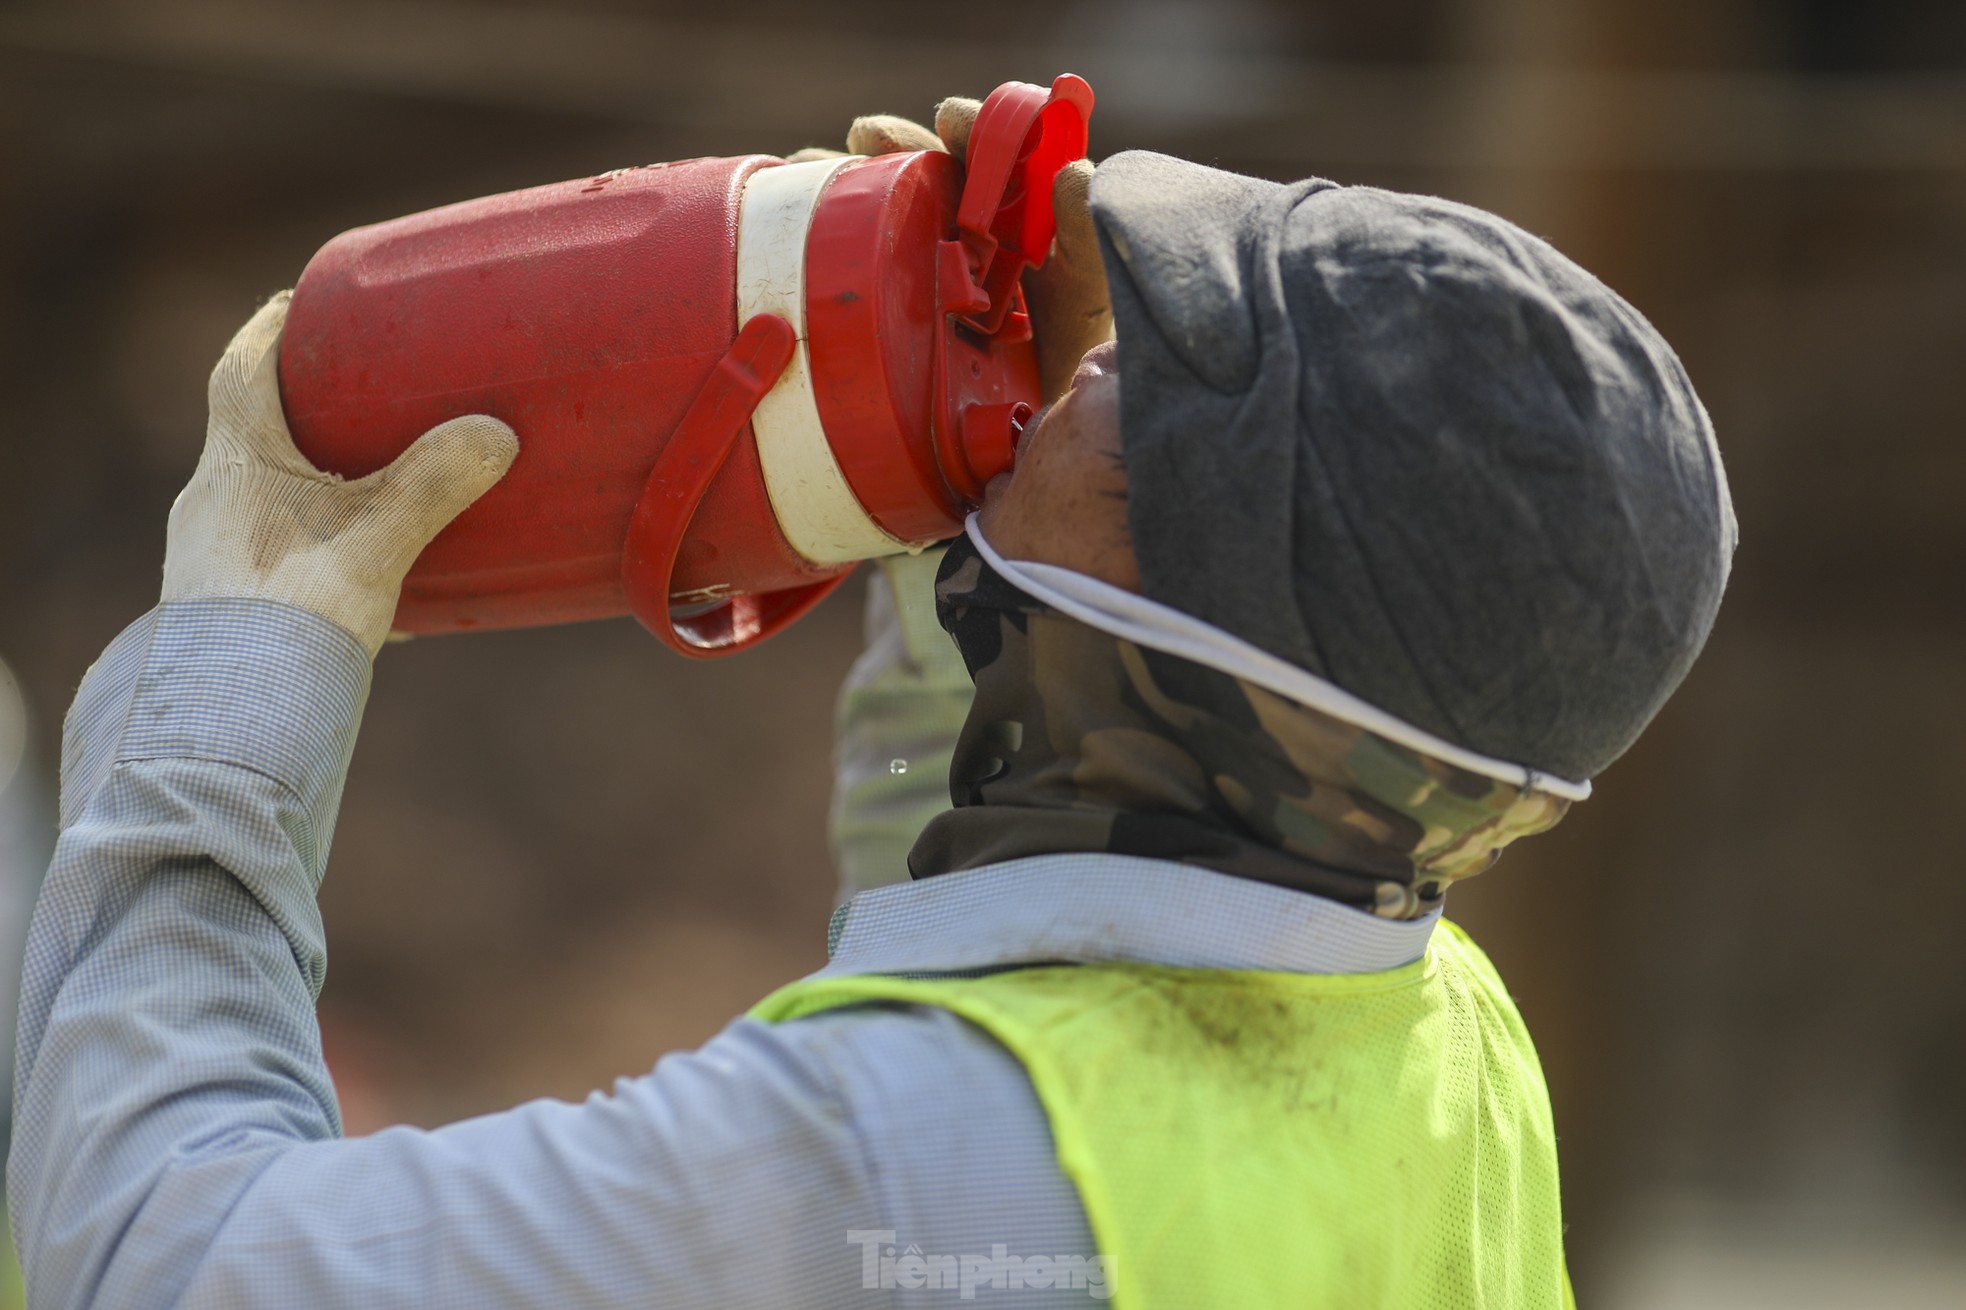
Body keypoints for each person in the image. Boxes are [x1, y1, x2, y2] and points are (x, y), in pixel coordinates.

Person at [7, 96, 1733, 1309]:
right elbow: (995, 901)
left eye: (1141, 396)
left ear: (1180, 619)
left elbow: (168, 1257)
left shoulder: (912, 1152)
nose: (1094, 358)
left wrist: (233, 667)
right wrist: (941, 514)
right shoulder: (1436, 1031)